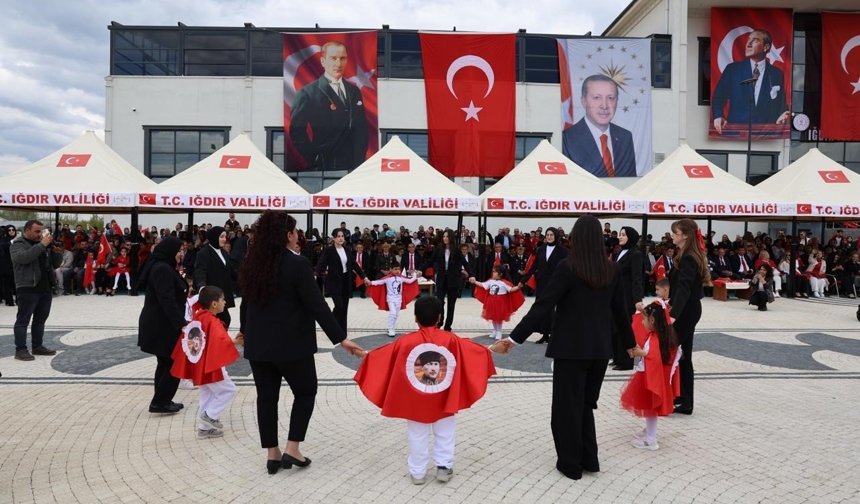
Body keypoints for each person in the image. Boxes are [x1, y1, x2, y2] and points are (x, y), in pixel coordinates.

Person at [492, 215, 636, 480]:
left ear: (576, 238)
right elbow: (620, 313)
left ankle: (571, 464)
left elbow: (543, 306)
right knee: (584, 404)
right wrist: (630, 345)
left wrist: (513, 339)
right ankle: (589, 459)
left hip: (571, 350)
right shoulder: (611, 270)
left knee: (566, 408)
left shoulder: (568, 267)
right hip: (600, 351)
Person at [239, 211, 364, 475]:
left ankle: (272, 455)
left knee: (267, 398)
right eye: (295, 231)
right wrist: (341, 338)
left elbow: (246, 303)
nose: (298, 236)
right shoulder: (298, 264)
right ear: (287, 235)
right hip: (291, 345)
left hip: (259, 345)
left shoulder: (252, 262)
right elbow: (317, 305)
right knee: (305, 392)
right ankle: (292, 448)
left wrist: (244, 331)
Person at [354, 296, 495, 485]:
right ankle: (444, 467)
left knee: (416, 433)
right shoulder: (451, 340)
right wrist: (491, 349)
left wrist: (366, 355)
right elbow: (473, 350)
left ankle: (418, 472)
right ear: (439, 317)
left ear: (415, 318)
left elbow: (384, 354)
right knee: (445, 431)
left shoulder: (405, 342)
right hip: (444, 396)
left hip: (415, 399)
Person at [170, 286, 240, 439]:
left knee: (207, 393)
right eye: (222, 299)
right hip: (211, 365)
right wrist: (235, 341)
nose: (225, 302)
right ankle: (210, 416)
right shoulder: (212, 321)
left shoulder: (199, 316)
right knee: (229, 390)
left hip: (200, 364)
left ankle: (204, 429)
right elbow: (220, 341)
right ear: (214, 304)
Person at [289, 41, 370, 171]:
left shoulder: (354, 91)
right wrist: (314, 157)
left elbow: (361, 129)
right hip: (325, 166)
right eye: (333, 58)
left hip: (353, 166)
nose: (338, 64)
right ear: (323, 61)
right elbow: (297, 131)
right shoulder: (308, 93)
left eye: (342, 58)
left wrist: (359, 160)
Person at [620, 301, 681, 451]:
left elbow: (654, 358)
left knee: (650, 408)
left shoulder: (657, 338)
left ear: (652, 320)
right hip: (649, 376)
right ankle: (649, 430)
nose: (642, 321)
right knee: (649, 408)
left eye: (644, 319)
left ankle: (651, 439)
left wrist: (641, 353)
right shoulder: (659, 334)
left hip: (650, 378)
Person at [137, 236, 188, 414]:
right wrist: (181, 323)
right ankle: (160, 402)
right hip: (161, 324)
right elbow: (166, 299)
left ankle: (162, 399)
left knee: (164, 362)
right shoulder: (162, 269)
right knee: (173, 361)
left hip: (161, 322)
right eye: (179, 250)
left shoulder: (165, 267)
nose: (181, 254)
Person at [668, 219, 710, 415]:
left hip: (687, 311)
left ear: (685, 235)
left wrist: (674, 314)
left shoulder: (689, 258)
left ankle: (683, 399)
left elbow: (684, 288)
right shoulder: (686, 255)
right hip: (687, 308)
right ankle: (684, 399)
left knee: (678, 353)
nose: (672, 235)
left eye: (675, 232)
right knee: (683, 355)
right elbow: (680, 288)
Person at [712, 29, 789, 134]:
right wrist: (718, 115)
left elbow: (781, 102)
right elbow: (718, 96)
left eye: (755, 40)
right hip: (736, 133)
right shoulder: (733, 70)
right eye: (748, 40)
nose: (748, 44)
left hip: (765, 135)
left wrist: (784, 113)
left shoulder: (776, 74)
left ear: (766, 47)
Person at [562, 74, 637, 177]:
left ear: (617, 101)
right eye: (597, 98)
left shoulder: (625, 137)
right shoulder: (567, 139)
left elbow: (630, 179)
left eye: (610, 98)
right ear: (584, 101)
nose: (604, 106)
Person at [10, 220, 60, 361]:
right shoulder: (18, 244)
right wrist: (42, 245)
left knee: (40, 320)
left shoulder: (43, 246)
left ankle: (37, 346)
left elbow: (55, 265)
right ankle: (20, 350)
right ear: (27, 231)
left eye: (41, 231)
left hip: (45, 287)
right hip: (27, 288)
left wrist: (56, 253)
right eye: (37, 231)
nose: (40, 234)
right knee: (23, 321)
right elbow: (23, 258)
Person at [519, 227, 568, 344]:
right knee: (542, 309)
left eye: (552, 235)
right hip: (542, 284)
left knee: (553, 310)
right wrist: (523, 280)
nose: (549, 237)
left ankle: (554, 334)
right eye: (548, 235)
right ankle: (545, 334)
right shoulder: (541, 249)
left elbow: (567, 267)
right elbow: (534, 267)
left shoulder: (563, 251)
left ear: (556, 236)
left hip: (555, 284)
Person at [316, 228, 364, 333]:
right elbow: (321, 263)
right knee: (339, 306)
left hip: (346, 281)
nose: (341, 238)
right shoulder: (329, 250)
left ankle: (342, 331)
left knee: (344, 308)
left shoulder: (347, 249)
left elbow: (354, 264)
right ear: (334, 238)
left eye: (342, 236)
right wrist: (315, 274)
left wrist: (364, 277)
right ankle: (330, 324)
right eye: (338, 236)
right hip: (334, 282)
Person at [614, 226, 644, 370]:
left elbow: (637, 278)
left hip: (627, 297)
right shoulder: (620, 252)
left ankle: (626, 361)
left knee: (625, 328)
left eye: (623, 235)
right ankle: (616, 357)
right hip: (616, 296)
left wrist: (638, 299)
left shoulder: (635, 254)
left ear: (631, 237)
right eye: (620, 234)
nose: (620, 237)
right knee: (614, 327)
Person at [194, 226, 236, 329]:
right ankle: (216, 343)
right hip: (212, 296)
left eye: (225, 237)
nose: (224, 239)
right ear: (214, 237)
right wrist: (202, 285)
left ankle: (218, 342)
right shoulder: (203, 253)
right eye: (221, 237)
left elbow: (232, 271)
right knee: (222, 320)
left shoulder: (224, 253)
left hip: (223, 294)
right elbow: (200, 271)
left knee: (224, 320)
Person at [469, 265, 525, 340]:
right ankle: (495, 330)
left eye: (494, 272)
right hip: (491, 302)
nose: (493, 273)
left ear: (500, 274)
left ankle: (499, 331)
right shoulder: (491, 281)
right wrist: (475, 282)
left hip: (500, 303)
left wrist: (518, 287)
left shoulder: (504, 283)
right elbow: (483, 285)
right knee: (493, 317)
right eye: (493, 271)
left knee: (499, 318)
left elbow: (511, 289)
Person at [432, 229, 472, 331]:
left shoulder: (457, 250)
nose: (445, 238)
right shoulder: (439, 249)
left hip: (453, 281)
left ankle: (448, 326)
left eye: (447, 236)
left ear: (451, 238)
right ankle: (440, 322)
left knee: (451, 305)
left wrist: (472, 275)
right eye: (444, 236)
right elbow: (431, 260)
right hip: (441, 280)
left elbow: (465, 263)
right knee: (439, 302)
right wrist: (420, 269)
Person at [365, 264, 421, 337]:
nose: (397, 271)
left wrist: (416, 276)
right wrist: (370, 282)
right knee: (393, 313)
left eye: (398, 269)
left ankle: (392, 327)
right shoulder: (387, 278)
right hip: (390, 299)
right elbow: (378, 282)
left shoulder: (401, 278)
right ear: (391, 269)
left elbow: (409, 281)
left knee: (396, 315)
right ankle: (390, 329)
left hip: (399, 300)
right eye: (395, 269)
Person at [0, 225, 16, 306]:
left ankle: (19, 300)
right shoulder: (4, 240)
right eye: (9, 230)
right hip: (7, 266)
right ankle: (9, 301)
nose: (11, 231)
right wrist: (12, 242)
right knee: (8, 284)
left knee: (17, 283)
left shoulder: (18, 240)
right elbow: (3, 246)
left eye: (13, 229)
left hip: (17, 265)